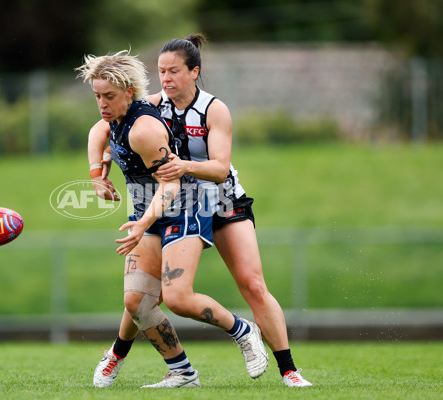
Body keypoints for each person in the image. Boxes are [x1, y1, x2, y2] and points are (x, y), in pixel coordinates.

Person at [88, 34, 312, 388]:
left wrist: (181, 167)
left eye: (174, 71)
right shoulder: (149, 105)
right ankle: (125, 356)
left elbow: (220, 168)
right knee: (143, 296)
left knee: (252, 285)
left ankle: (289, 370)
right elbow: (105, 127)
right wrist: (98, 172)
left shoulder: (213, 109)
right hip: (174, 199)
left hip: (220, 199)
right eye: (161, 71)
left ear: (195, 72)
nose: (166, 78)